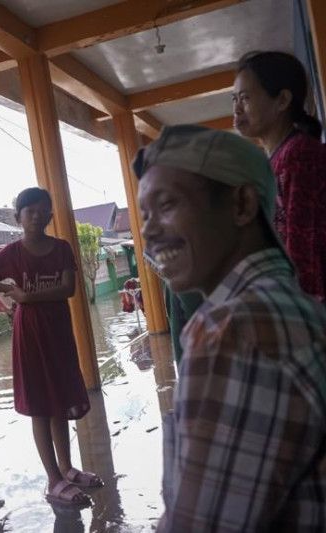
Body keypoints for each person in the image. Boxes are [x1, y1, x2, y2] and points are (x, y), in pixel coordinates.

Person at [135, 125, 326, 531]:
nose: (148, 231)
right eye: (144, 214)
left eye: (167, 204)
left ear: (241, 204)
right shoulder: (291, 305)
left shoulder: (236, 331)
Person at [0, 187, 102, 507]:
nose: (38, 216)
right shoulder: (13, 253)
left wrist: (27, 296)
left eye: (43, 210)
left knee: (60, 398)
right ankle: (53, 479)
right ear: (18, 217)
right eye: (30, 211)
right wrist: (7, 289)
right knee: (41, 404)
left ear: (51, 215)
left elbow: (69, 288)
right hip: (30, 334)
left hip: (58, 331)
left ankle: (67, 469)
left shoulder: (62, 248)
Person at [233, 50, 326, 302]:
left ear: (282, 100)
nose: (236, 108)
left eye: (245, 98)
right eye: (234, 99)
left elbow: (301, 253)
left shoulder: (299, 156)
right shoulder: (278, 159)